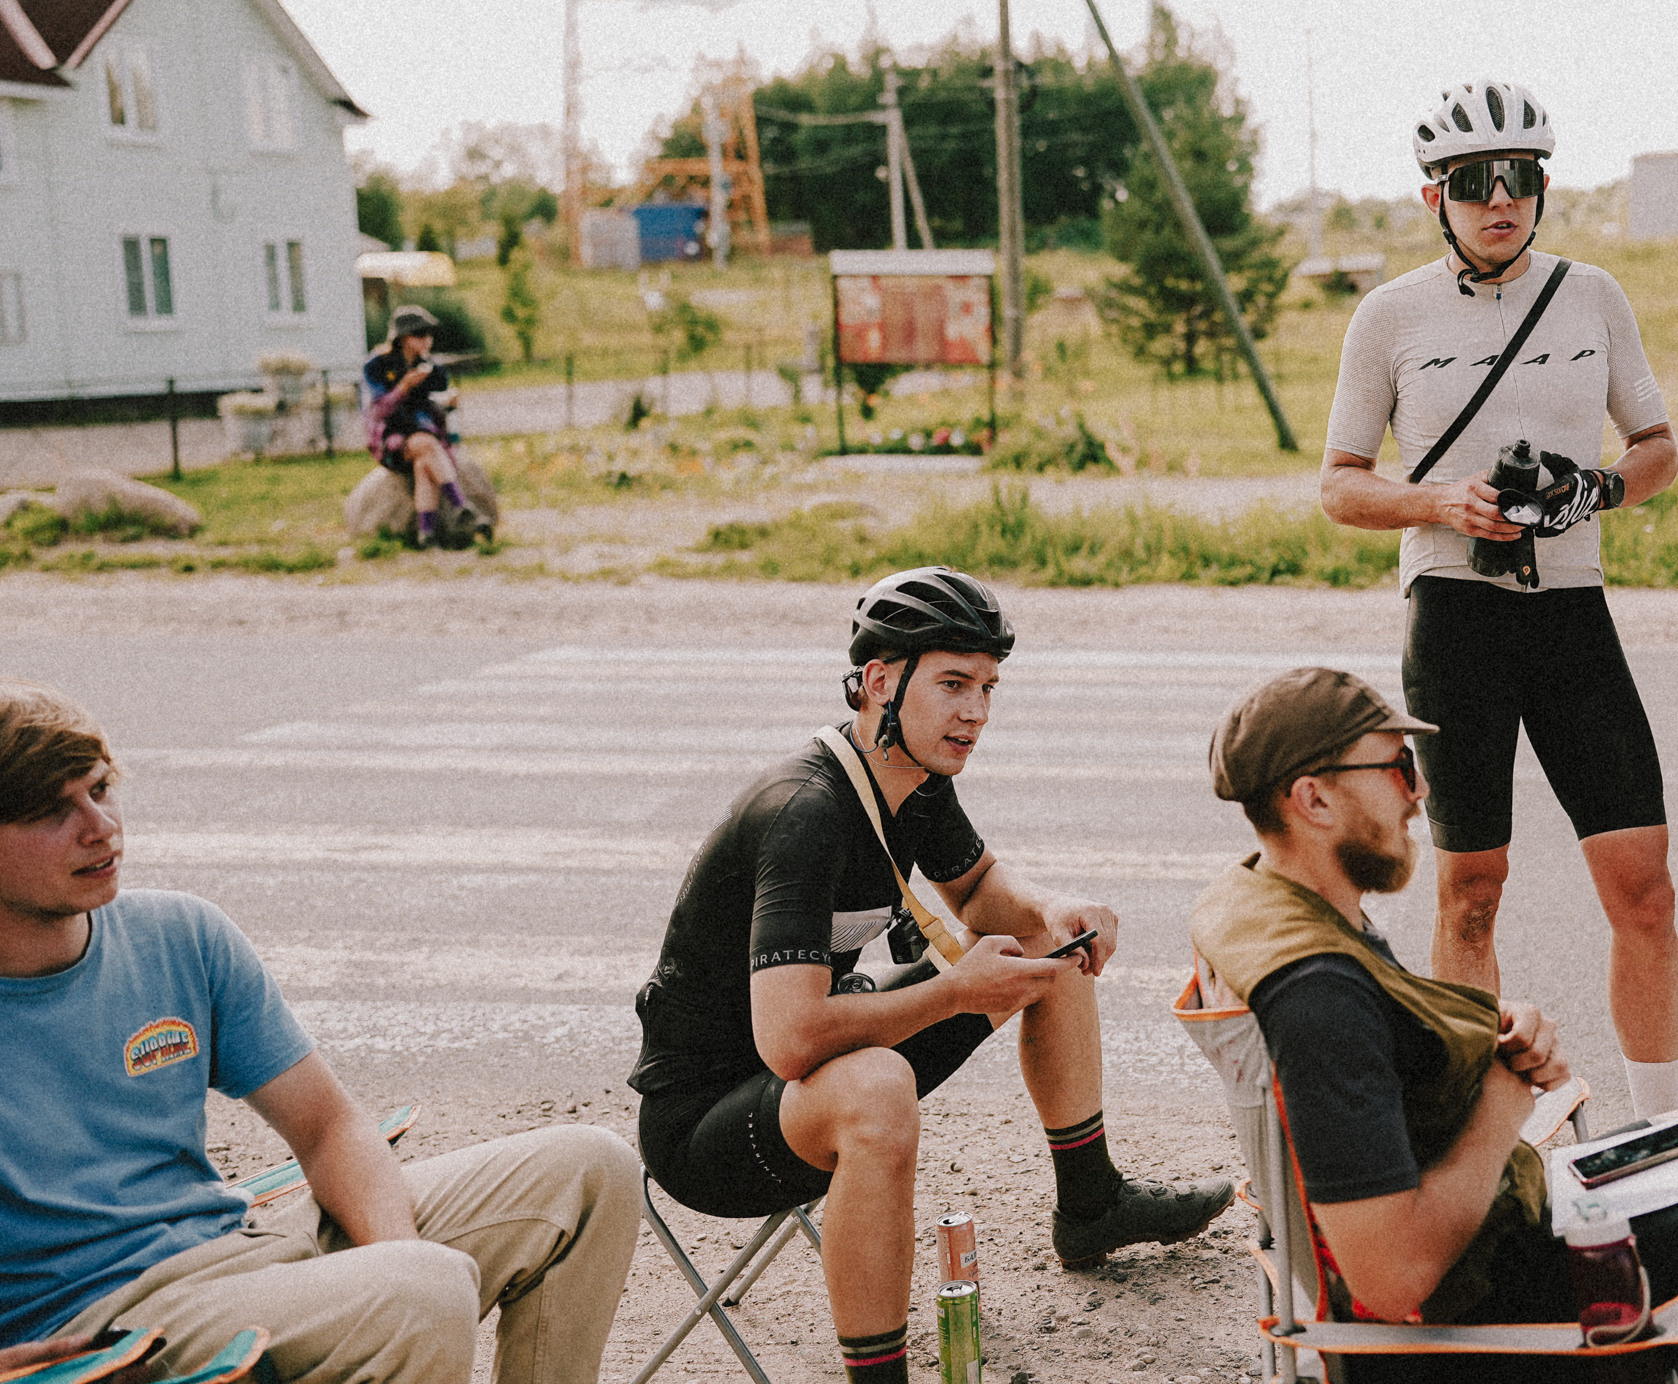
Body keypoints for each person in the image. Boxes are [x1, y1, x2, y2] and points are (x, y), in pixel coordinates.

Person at [1191, 668, 1678, 1384]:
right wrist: (1500, 1102)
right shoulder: (1318, 996)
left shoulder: (1265, 897)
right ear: (1313, 800)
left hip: (1509, 1225)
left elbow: (1388, 1049)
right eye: (1396, 768)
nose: (1419, 792)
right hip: (1495, 1309)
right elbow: (1390, 1278)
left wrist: (1481, 1033)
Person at [629, 566, 1233, 1384]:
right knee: (878, 1085)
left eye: (987, 686)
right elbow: (789, 1037)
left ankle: (1091, 1204)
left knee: (1043, 959)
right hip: (704, 1124)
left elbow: (981, 892)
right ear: (880, 681)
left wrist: (1055, 912)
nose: (976, 713)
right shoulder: (804, 813)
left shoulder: (913, 780)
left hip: (809, 1078)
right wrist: (953, 992)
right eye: (953, 684)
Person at [0, 680, 641, 1383]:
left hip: (245, 1247)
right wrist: (411, 1279)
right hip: (115, 1319)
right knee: (416, 1294)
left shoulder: (179, 934)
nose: (101, 826)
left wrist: (396, 1257)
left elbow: (328, 1127)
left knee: (588, 1168)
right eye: (52, 811)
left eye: (99, 788)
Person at [1318, 80, 1678, 1119]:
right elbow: (1340, 482)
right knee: (1470, 889)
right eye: (1475, 182)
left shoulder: (1593, 295)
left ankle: (1657, 1125)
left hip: (1572, 615)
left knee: (1644, 888)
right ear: (1434, 195)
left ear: (1542, 187)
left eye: (1519, 179)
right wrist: (1442, 500)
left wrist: (1598, 488)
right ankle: (1486, 1134)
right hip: (1456, 616)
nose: (1500, 200)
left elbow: (1658, 448)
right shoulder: (1389, 315)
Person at [363, 306, 486, 550]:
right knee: (427, 445)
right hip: (392, 441)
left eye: (429, 334)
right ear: (403, 338)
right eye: (419, 334)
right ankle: (461, 505)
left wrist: (446, 403)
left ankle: (426, 535)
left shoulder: (432, 370)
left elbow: (434, 409)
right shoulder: (377, 367)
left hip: (424, 441)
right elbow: (376, 412)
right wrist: (403, 387)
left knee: (423, 465)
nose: (426, 340)